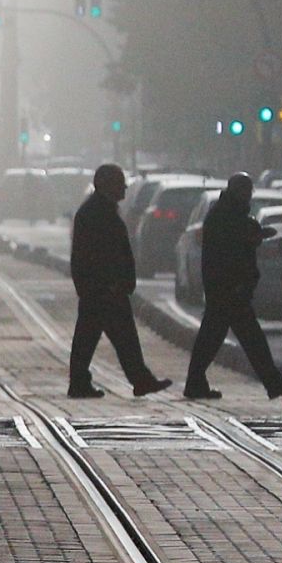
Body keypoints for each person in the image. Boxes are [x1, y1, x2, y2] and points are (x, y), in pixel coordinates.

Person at [186, 172, 282, 400]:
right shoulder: (223, 215)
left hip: (229, 287)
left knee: (218, 338)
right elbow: (232, 245)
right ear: (236, 192)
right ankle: (273, 383)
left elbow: (242, 236)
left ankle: (196, 382)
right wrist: (254, 237)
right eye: (245, 192)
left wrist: (257, 235)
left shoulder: (229, 213)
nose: (248, 197)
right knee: (243, 338)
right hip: (228, 288)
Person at [66, 163, 173, 399]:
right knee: (105, 337)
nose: (124, 188)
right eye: (119, 183)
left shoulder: (101, 209)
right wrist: (108, 283)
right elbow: (96, 254)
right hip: (103, 288)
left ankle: (135, 380)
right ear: (106, 185)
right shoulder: (97, 212)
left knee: (108, 337)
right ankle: (87, 382)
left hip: (103, 287)